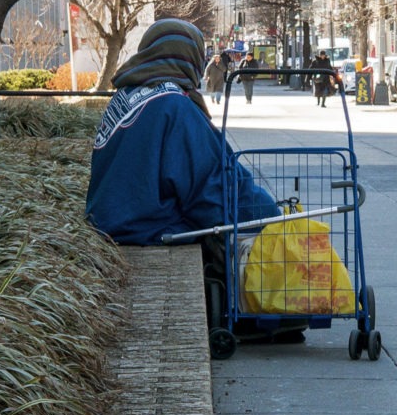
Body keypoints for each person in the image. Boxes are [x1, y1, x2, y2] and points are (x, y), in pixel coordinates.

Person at [86, 19, 276, 246]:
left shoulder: (128, 94)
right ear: (191, 58)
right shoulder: (174, 106)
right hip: (142, 229)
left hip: (111, 220)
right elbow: (210, 190)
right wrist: (267, 215)